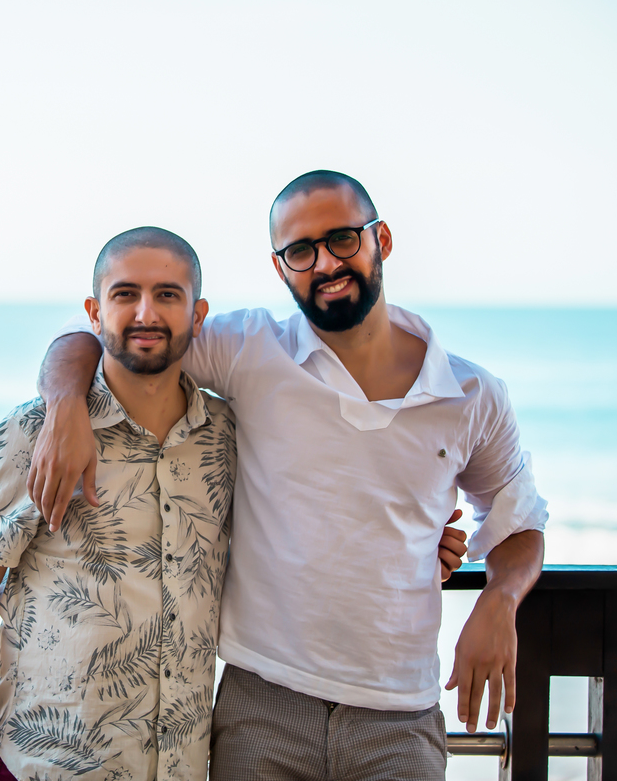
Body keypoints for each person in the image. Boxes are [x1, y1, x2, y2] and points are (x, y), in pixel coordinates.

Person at [28, 171, 546, 780]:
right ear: (281, 268)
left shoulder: (472, 393)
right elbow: (101, 335)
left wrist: (500, 599)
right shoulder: (250, 349)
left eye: (344, 239)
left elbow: (519, 521)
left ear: (381, 238)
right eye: (301, 250)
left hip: (400, 714)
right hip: (261, 703)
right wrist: (65, 406)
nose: (325, 262)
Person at [0, 225, 468, 781]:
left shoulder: (226, 436)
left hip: (183, 766)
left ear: (198, 315)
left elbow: (307, 509)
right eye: (125, 295)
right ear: (94, 313)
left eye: (168, 295)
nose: (146, 312)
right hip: (48, 766)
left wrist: (415, 537)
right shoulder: (34, 432)